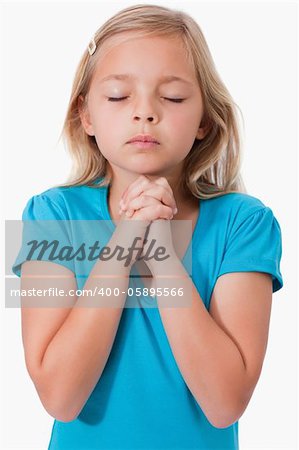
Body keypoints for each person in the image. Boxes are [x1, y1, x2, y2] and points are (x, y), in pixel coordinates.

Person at [12, 4, 283, 449]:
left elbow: (225, 403)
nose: (144, 113)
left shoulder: (245, 223)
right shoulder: (50, 216)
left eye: (172, 98)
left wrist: (161, 250)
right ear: (87, 116)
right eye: (119, 96)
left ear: (204, 120)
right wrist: (125, 242)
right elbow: (60, 397)